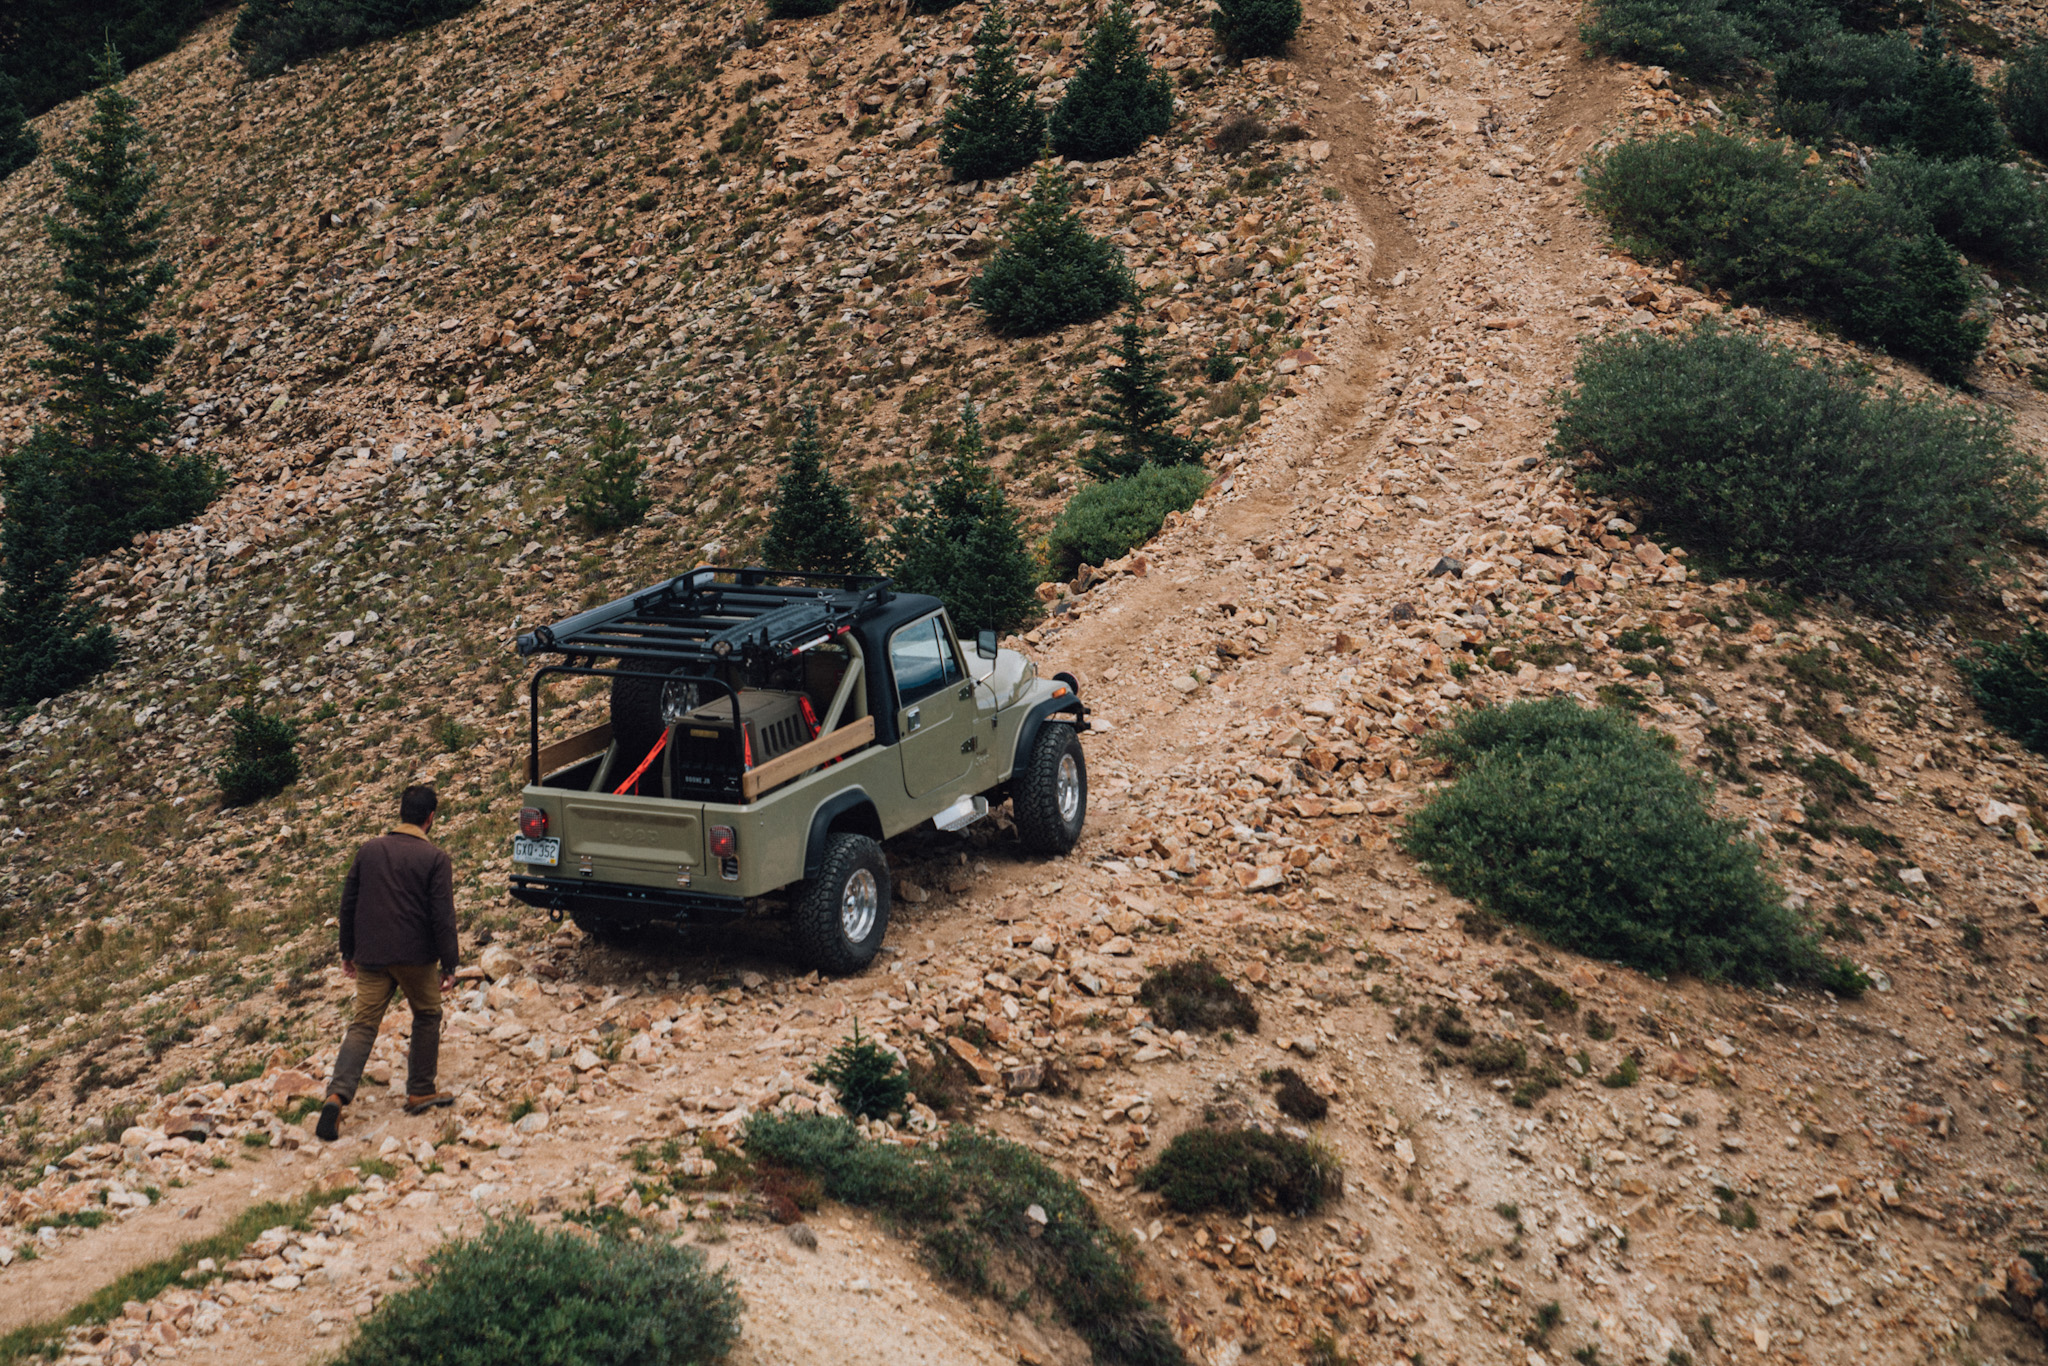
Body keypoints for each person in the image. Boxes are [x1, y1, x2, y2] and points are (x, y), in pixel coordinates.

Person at [315, 785, 460, 1142]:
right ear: (430, 818)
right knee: (427, 1014)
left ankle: (336, 1096)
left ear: (401, 813)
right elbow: (442, 916)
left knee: (363, 1025)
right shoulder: (435, 858)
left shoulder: (369, 850)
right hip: (416, 958)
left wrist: (347, 951)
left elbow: (348, 903)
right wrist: (450, 964)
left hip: (371, 955)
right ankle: (420, 1090)